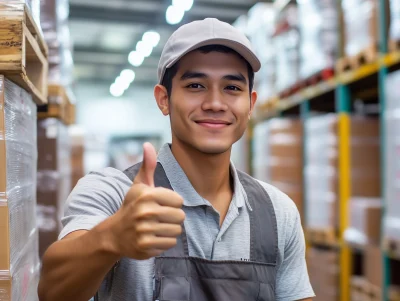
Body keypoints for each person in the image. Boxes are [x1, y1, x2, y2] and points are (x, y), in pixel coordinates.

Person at [38, 18, 315, 301]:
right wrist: (111, 238)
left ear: (250, 104)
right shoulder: (113, 193)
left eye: (232, 88)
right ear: (164, 99)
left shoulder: (277, 212)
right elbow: (52, 291)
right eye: (196, 85)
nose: (215, 103)